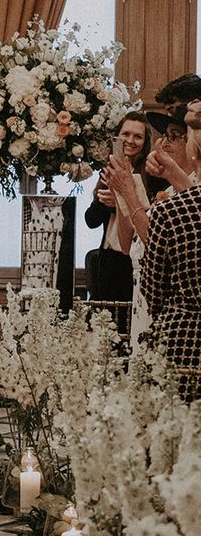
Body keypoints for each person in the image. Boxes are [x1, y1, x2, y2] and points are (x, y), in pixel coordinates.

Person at [104, 106, 195, 355]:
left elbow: (157, 246)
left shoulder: (193, 190)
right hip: (141, 299)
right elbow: (127, 245)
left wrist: (131, 196)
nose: (164, 143)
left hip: (168, 309)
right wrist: (123, 190)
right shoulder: (171, 189)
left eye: (174, 135)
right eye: (164, 135)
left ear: (194, 142)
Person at [141, 141, 201, 402]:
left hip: (183, 338)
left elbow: (152, 287)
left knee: (175, 430)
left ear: (193, 150)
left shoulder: (170, 211)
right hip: (181, 333)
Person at [84, 112, 155, 302]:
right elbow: (91, 220)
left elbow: (151, 219)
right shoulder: (108, 169)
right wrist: (106, 203)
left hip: (135, 258)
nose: (130, 141)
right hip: (107, 258)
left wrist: (117, 203)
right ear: (117, 137)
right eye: (126, 134)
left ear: (145, 142)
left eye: (138, 136)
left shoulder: (152, 174)